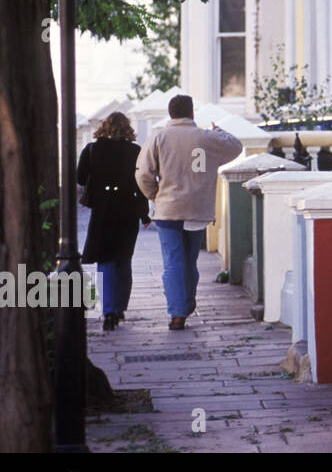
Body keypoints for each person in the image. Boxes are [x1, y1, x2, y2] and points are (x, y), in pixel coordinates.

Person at [135, 94, 243, 330]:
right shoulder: (206, 137)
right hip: (197, 209)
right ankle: (187, 300)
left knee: (173, 261)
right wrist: (220, 130)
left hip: (168, 210)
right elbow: (236, 146)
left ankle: (177, 312)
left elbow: (143, 174)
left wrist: (155, 196)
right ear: (192, 113)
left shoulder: (158, 137)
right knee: (190, 260)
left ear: (170, 113)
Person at [76, 112, 151, 331]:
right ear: (127, 128)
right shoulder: (135, 151)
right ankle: (119, 308)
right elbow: (141, 187)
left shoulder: (92, 149)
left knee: (105, 259)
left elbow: (80, 178)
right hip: (127, 209)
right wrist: (144, 215)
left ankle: (108, 311)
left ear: (104, 127)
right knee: (123, 259)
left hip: (103, 210)